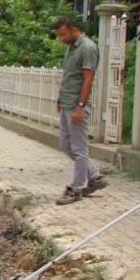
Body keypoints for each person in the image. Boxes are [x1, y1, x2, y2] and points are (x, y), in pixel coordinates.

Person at [54, 17, 107, 205]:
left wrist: (81, 106)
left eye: (63, 34)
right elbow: (69, 76)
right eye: (59, 35)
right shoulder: (71, 48)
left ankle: (76, 189)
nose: (60, 38)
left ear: (74, 29)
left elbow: (88, 79)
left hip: (77, 106)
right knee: (66, 144)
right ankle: (94, 176)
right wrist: (61, 98)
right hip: (67, 104)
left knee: (79, 149)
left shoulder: (88, 48)